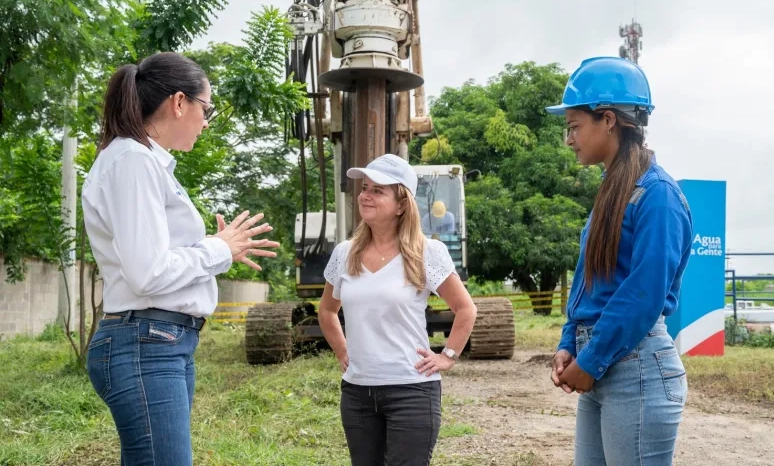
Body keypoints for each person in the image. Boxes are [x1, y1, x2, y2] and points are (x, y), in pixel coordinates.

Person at [82, 51, 280, 465]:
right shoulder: (134, 161)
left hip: (160, 342)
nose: (206, 121)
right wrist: (217, 248)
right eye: (205, 108)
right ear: (178, 103)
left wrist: (222, 250)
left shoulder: (141, 161)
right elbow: (148, 273)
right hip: (146, 343)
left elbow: (155, 259)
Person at [544, 56, 693, 465]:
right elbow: (588, 277)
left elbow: (643, 293)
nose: (569, 139)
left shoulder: (657, 194)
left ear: (608, 119)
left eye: (574, 126)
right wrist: (569, 341)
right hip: (604, 361)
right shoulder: (614, 190)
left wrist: (590, 359)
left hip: (637, 370)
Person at [317, 153, 478, 466]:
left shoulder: (426, 253)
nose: (366, 195)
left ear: (402, 203)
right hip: (358, 394)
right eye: (365, 187)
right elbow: (326, 312)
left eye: (379, 190)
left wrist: (447, 356)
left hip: (412, 392)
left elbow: (465, 309)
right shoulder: (345, 253)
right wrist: (343, 352)